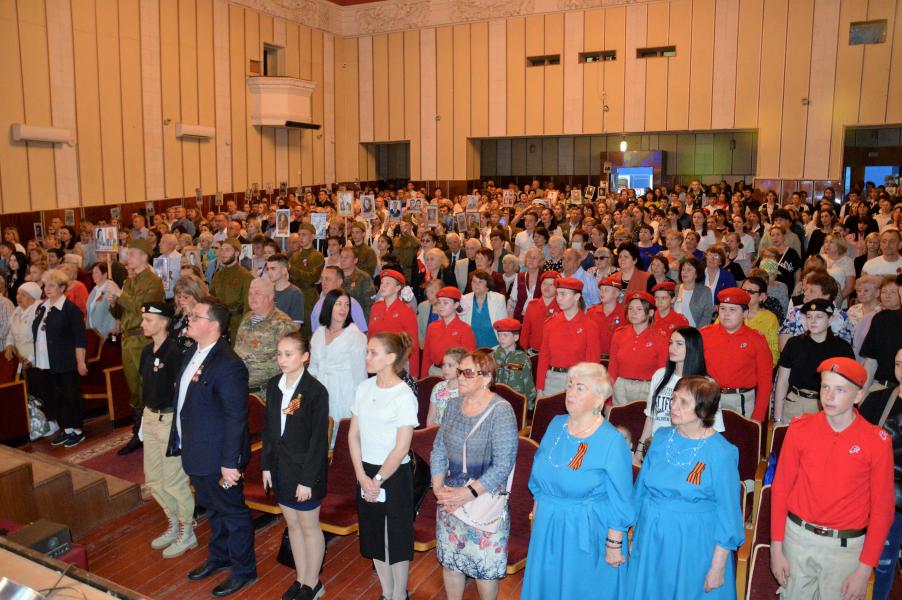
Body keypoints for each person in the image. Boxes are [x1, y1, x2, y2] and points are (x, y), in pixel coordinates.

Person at [770, 357, 894, 600]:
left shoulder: (876, 442)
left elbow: (882, 510)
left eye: (840, 390)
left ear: (858, 396)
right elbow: (781, 488)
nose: (829, 396)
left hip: (844, 550)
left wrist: (864, 570)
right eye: (825, 386)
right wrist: (776, 547)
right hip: (798, 540)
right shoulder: (800, 428)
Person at [522, 362, 634, 599]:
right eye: (570, 385)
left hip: (587, 531)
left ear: (599, 399)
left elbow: (621, 498)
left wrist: (614, 544)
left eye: (580, 387)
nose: (570, 392)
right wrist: (537, 517)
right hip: (549, 525)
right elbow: (539, 480)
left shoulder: (612, 441)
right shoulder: (556, 424)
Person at [625, 376, 744, 599]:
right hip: (652, 537)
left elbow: (728, 514)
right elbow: (640, 492)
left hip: (693, 543)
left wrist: (718, 566)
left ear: (703, 410)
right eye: (673, 399)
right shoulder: (661, 438)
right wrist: (630, 536)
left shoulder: (721, 452)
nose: (674, 406)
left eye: (683, 402)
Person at [170, 296, 256, 597]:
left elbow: (236, 417)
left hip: (220, 457)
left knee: (233, 513)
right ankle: (219, 557)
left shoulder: (229, 365)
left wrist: (230, 462)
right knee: (213, 509)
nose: (189, 320)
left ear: (214, 326)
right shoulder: (193, 352)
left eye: (196, 316)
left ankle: (244, 570)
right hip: (196, 450)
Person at [430, 350, 518, 599]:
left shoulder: (501, 410)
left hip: (483, 499)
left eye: (468, 373)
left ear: (486, 377)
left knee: (484, 569)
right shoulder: (453, 405)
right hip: (450, 497)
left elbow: (503, 465)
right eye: (460, 372)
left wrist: (467, 493)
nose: (460, 377)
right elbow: (439, 448)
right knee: (451, 563)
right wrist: (438, 487)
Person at [350, 332, 419, 600]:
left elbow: (401, 447)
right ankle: (386, 592)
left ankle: (399, 594)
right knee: (374, 535)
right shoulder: (363, 388)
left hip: (393, 474)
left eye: (373, 352)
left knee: (395, 538)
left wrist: (377, 480)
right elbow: (353, 435)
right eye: (367, 351)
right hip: (366, 472)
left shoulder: (403, 395)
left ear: (391, 358)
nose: (367, 357)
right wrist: (361, 475)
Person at [262, 332, 329, 600]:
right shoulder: (274, 385)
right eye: (279, 354)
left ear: (305, 357)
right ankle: (301, 578)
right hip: (281, 468)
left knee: (309, 527)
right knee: (292, 526)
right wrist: (266, 465)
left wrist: (307, 480)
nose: (282, 359)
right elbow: (269, 429)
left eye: (289, 354)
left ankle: (313, 583)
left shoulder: (315, 391)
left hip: (304, 472)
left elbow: (318, 442)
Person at [138, 302, 196, 559]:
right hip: (150, 417)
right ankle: (173, 522)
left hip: (169, 420)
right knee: (154, 479)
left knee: (174, 481)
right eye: (143, 319)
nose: (143, 324)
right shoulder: (146, 352)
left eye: (148, 320)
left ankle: (187, 530)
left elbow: (182, 392)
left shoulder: (174, 352)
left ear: (163, 322)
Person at [107, 238, 165, 455]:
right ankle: (138, 432)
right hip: (128, 340)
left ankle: (151, 432)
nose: (127, 258)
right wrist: (113, 303)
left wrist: (120, 294)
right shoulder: (129, 282)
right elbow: (120, 313)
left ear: (143, 256)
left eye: (131, 254)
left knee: (147, 385)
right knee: (134, 388)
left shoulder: (153, 281)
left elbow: (143, 308)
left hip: (143, 340)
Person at [634, 326, 725, 463]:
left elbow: (713, 428)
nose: (672, 348)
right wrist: (639, 451)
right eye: (670, 343)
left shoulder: (706, 384)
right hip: (657, 447)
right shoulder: (659, 375)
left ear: (692, 348)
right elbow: (651, 417)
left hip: (688, 451)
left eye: (679, 344)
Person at [858, 347, 902, 600]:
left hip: (896, 500)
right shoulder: (878, 400)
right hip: (873, 492)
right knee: (868, 557)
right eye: (898, 364)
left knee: (885, 562)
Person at [773, 299, 855, 423]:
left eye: (819, 317)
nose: (813, 321)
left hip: (827, 405)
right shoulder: (794, 344)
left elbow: (849, 385)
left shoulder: (842, 348)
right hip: (795, 403)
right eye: (809, 317)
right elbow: (782, 382)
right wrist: (777, 418)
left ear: (830, 320)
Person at [33, 269, 89, 448]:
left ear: (62, 288)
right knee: (56, 396)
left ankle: (78, 430)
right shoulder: (43, 307)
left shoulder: (70, 310)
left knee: (70, 395)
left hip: (66, 360)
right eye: (45, 285)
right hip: (46, 361)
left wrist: (80, 362)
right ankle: (67, 428)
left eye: (52, 285)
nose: (47, 289)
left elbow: (80, 338)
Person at [701, 288, 773, 421]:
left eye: (732, 310)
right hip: (710, 398)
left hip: (742, 401)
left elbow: (765, 381)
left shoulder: (757, 339)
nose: (726, 314)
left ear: (745, 313)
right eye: (723, 308)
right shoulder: (704, 334)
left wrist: (758, 417)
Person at [309, 289, 367, 440]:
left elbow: (360, 376)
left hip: (344, 393)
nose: (343, 309)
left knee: (340, 440)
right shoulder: (319, 333)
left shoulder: (355, 336)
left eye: (347, 304)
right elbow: (312, 368)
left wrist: (359, 407)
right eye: (338, 304)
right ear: (329, 306)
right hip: (321, 391)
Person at [536, 277, 601, 398]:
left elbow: (593, 362)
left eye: (563, 294)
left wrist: (590, 388)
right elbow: (544, 357)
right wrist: (539, 388)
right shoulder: (550, 323)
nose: (558, 298)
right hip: (552, 380)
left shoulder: (589, 325)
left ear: (577, 297)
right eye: (557, 294)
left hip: (578, 381)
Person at [233, 277, 298, 398]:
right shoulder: (247, 318)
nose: (252, 297)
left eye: (257, 293)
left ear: (270, 297)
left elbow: (290, 363)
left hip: (265, 394)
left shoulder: (283, 324)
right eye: (250, 293)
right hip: (239, 388)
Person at [607, 291, 668, 407]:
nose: (633, 312)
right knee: (618, 418)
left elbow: (662, 372)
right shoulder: (619, 334)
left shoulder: (660, 337)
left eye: (639, 309)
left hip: (647, 388)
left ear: (650, 313)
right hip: (620, 388)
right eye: (630, 309)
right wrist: (608, 398)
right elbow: (613, 367)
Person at [368, 269, 421, 377]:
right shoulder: (375, 308)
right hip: (376, 362)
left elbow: (413, 344)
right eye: (382, 283)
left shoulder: (406, 311)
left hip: (397, 365)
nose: (383, 286)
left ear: (397, 288)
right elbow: (370, 336)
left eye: (387, 283)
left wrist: (414, 374)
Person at [420, 286, 477, 377]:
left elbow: (469, 360)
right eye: (439, 302)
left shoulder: (465, 329)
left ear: (456, 305)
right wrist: (424, 378)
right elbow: (426, 356)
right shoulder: (432, 327)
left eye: (445, 302)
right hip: (433, 372)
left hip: (455, 374)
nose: (441, 306)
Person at [210, 238, 254, 344]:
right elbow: (211, 299)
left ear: (237, 253)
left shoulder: (245, 276)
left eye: (228, 250)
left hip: (237, 325)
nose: (223, 253)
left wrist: (244, 329)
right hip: (219, 323)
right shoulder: (218, 275)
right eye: (222, 249)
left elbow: (248, 307)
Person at [491, 318, 536, 409]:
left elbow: (528, 385)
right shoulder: (493, 356)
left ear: (516, 337)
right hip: (495, 402)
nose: (501, 338)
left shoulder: (523, 359)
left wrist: (528, 407)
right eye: (499, 335)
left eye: (505, 335)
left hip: (516, 403)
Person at [288, 224, 325, 334]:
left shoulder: (317, 256)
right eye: (299, 235)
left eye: (304, 235)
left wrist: (292, 269)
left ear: (313, 236)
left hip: (309, 297)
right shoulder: (295, 256)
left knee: (308, 329)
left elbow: (312, 277)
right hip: (294, 294)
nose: (301, 238)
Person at [309, 266, 368, 333]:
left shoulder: (351, 304)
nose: (323, 283)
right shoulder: (319, 304)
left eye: (328, 279)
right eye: (322, 279)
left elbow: (362, 333)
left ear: (339, 282)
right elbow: (315, 332)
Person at [739, 275, 780, 366]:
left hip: (756, 368)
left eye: (751, 292)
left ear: (762, 296)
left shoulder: (770, 319)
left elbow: (774, 354)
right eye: (743, 290)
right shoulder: (731, 311)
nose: (745, 294)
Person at [460, 270, 508, 348]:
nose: (476, 284)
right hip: (471, 347)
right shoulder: (464, 299)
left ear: (488, 285)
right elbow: (461, 324)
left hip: (494, 347)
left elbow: (504, 325)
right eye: (474, 281)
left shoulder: (498, 299)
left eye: (480, 282)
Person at [519, 271, 561, 354]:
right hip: (533, 352)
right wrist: (523, 350)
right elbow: (525, 330)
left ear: (557, 288)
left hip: (553, 353)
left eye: (551, 284)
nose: (547, 287)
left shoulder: (561, 307)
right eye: (544, 283)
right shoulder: (532, 305)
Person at [588, 276, 625, 361]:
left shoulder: (625, 315)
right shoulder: (591, 313)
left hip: (616, 360)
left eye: (606, 290)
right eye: (600, 290)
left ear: (616, 294)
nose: (602, 293)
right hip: (594, 359)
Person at [427, 347, 467, 426]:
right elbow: (431, 417)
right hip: (437, 432)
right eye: (443, 364)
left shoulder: (466, 390)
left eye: (450, 365)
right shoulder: (438, 388)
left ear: (462, 367)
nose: (445, 369)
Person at [265, 254, 305, 328]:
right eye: (268, 269)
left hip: (284, 334)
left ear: (284, 270)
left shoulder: (295, 293)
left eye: (273, 269)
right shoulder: (268, 290)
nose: (269, 272)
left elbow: (296, 325)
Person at [673, 256, 713, 328]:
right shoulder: (677, 288)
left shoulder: (705, 291)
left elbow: (707, 316)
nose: (685, 272)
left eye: (689, 269)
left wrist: (696, 332)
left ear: (696, 274)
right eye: (683, 269)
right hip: (677, 330)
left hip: (695, 331)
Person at [86, 262, 118, 338]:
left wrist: (111, 333)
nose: (92, 275)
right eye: (92, 273)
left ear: (105, 274)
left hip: (107, 333)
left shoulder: (111, 289)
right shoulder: (94, 290)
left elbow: (114, 314)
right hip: (93, 333)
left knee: (111, 345)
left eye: (96, 272)